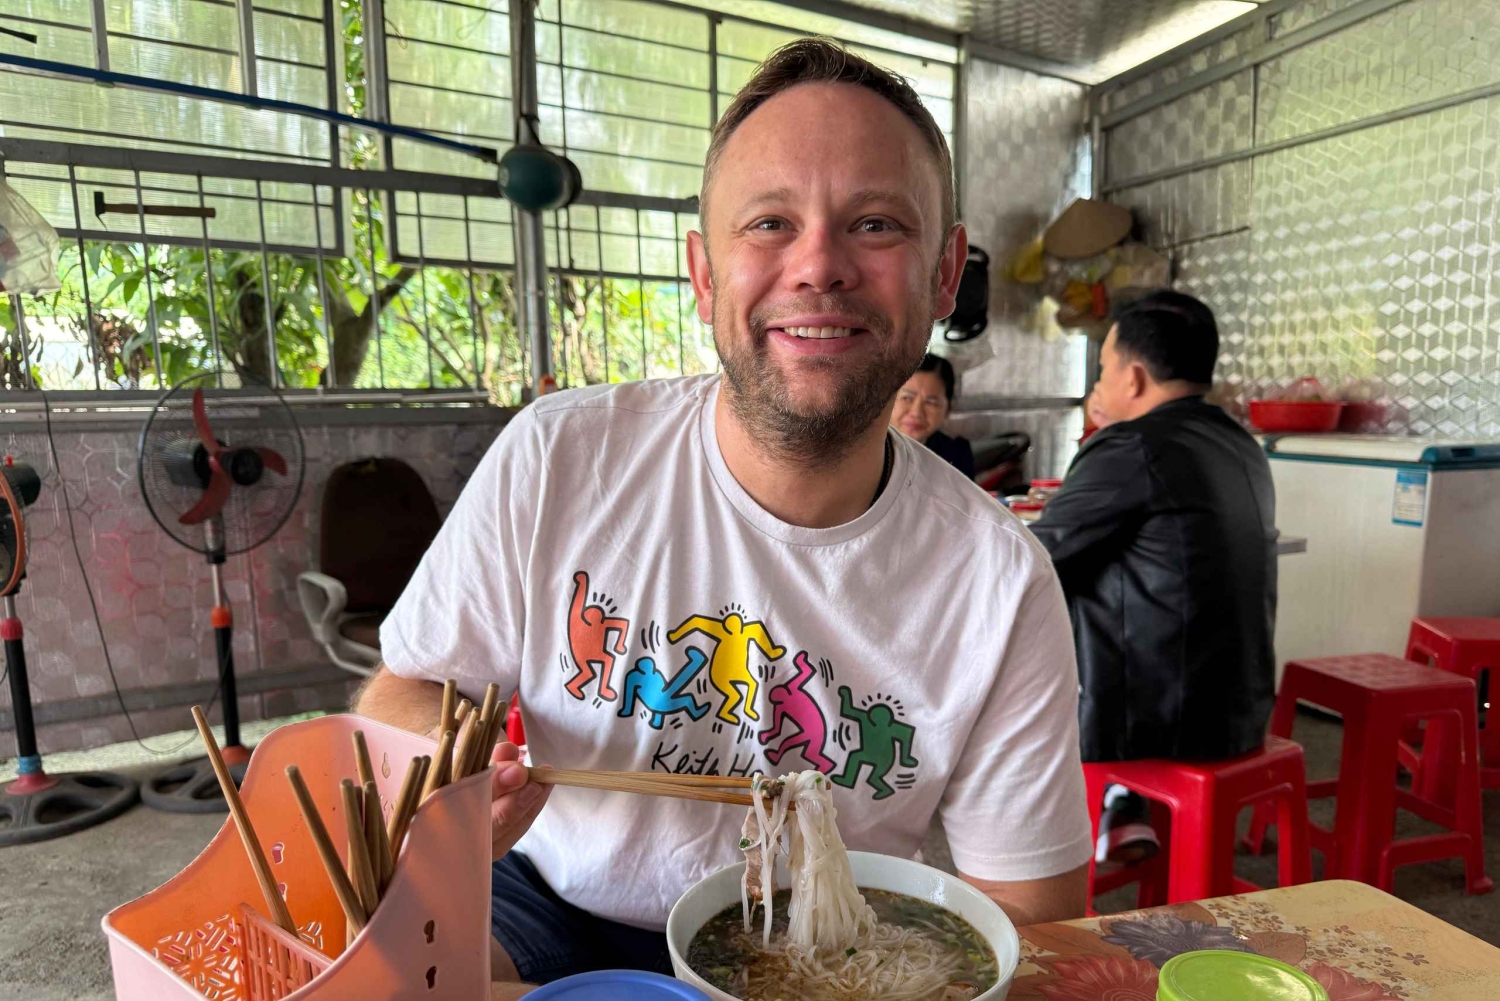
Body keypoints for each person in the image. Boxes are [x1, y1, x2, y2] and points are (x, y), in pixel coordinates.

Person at [354, 38, 1091, 996]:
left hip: (834, 943)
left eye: (875, 223)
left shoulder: (998, 579)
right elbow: (407, 690)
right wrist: (444, 776)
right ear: (704, 275)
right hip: (549, 907)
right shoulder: (560, 458)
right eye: (770, 222)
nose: (818, 265)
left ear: (945, 273)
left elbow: (1031, 914)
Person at [1030, 290, 1276, 864]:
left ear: (1134, 378)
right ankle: (1122, 804)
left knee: (1037, 603)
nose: (1099, 384)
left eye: (1103, 369)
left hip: (1160, 720)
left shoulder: (1133, 445)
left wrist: (1102, 434)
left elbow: (1037, 560)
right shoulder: (1240, 443)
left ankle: (1089, 810)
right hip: (1238, 706)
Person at [892, 353, 975, 477]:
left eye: (931, 402)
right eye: (907, 398)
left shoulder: (956, 454)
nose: (916, 413)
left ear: (947, 409)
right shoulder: (864, 446)